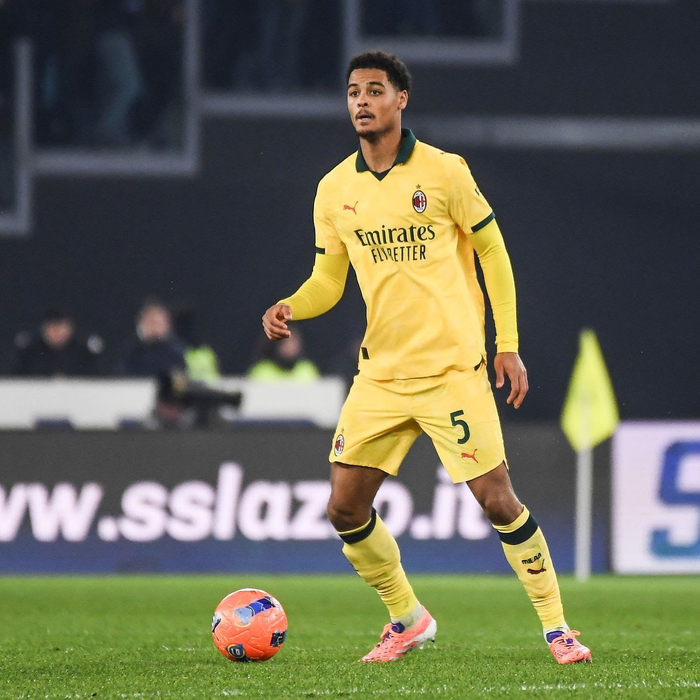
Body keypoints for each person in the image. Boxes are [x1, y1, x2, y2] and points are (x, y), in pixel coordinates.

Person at [262, 51, 591, 665]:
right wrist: (292, 305)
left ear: (401, 99)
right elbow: (328, 280)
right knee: (344, 507)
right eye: (353, 92)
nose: (361, 101)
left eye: (374, 90)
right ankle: (408, 618)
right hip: (381, 376)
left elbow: (494, 253)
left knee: (498, 500)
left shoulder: (444, 172)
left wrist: (508, 345)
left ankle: (557, 628)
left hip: (451, 372)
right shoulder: (334, 189)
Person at [12, 308, 104, 376]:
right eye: (52, 328)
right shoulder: (31, 352)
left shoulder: (84, 352)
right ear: (43, 329)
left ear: (70, 329)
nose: (57, 333)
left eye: (61, 328)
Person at [116, 298, 185, 377]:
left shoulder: (178, 351)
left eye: (158, 322)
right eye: (150, 322)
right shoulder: (130, 351)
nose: (154, 326)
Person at [248, 330, 320, 382]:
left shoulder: (307, 370)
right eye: (286, 342)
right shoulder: (262, 371)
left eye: (293, 342)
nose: (291, 347)